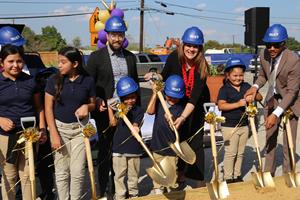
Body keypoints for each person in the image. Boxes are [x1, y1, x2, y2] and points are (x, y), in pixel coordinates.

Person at [145, 26, 210, 188]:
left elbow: (194, 98)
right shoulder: (174, 57)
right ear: (183, 45)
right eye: (188, 45)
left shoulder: (202, 67)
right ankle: (178, 176)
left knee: (193, 142)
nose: (191, 49)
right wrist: (154, 76)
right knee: (177, 139)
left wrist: (183, 117)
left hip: (193, 109)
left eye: (195, 46)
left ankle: (197, 179)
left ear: (200, 48)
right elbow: (164, 75)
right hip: (176, 104)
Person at [85, 16, 139, 198]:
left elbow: (135, 85)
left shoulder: (131, 57)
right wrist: (98, 100)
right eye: (113, 35)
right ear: (106, 35)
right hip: (105, 113)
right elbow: (88, 85)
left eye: (120, 35)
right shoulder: (96, 58)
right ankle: (105, 189)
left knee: (125, 151)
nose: (117, 39)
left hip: (128, 112)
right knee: (106, 152)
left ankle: (122, 191)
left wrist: (137, 115)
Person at [244, 24, 300, 176]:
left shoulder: (294, 60)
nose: (272, 49)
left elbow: (292, 91)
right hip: (272, 98)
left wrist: (275, 114)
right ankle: (269, 172)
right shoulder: (264, 54)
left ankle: (288, 173)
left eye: (276, 45)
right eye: (269, 45)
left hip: (291, 101)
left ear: (284, 44)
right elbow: (262, 75)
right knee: (270, 137)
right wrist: (255, 86)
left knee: (289, 141)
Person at [45, 47, 96, 199]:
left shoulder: (88, 80)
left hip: (80, 130)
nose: (59, 65)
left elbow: (92, 103)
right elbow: (48, 109)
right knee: (61, 171)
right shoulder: (53, 80)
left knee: (78, 170)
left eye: (63, 62)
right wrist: (53, 135)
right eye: (58, 61)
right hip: (59, 130)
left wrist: (87, 106)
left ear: (75, 64)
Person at [0, 44, 46, 200]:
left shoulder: (31, 81)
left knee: (28, 175)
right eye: (10, 61)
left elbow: (39, 108)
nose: (15, 65)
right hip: (6, 137)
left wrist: (42, 129)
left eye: (19, 61)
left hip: (29, 136)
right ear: (1, 63)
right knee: (9, 175)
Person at [217, 58, 262, 183]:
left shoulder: (246, 86)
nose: (238, 78)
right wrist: (238, 104)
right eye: (235, 75)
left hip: (244, 125)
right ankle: (228, 177)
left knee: (240, 153)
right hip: (229, 126)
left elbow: (259, 97)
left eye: (241, 75)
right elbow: (221, 105)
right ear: (228, 75)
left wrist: (253, 94)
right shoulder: (224, 89)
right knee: (230, 153)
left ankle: (237, 176)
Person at [146, 75, 185, 194]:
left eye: (176, 97)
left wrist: (171, 119)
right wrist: (155, 94)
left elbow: (177, 126)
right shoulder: (160, 100)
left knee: (171, 173)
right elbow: (150, 111)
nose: (173, 99)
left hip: (172, 148)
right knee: (158, 170)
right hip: (157, 145)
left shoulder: (180, 107)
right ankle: (158, 190)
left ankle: (171, 189)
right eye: (170, 96)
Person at [107, 76, 143, 200]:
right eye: (126, 98)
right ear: (121, 98)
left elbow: (136, 124)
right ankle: (120, 196)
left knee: (133, 175)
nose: (130, 101)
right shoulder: (120, 109)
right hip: (119, 148)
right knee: (119, 175)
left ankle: (133, 194)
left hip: (134, 148)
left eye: (132, 97)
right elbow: (112, 123)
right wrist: (110, 108)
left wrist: (136, 127)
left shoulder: (138, 110)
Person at [35, 67, 58, 200]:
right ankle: (48, 192)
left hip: (56, 128)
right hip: (43, 130)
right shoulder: (38, 93)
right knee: (44, 165)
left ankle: (49, 192)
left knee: (47, 165)